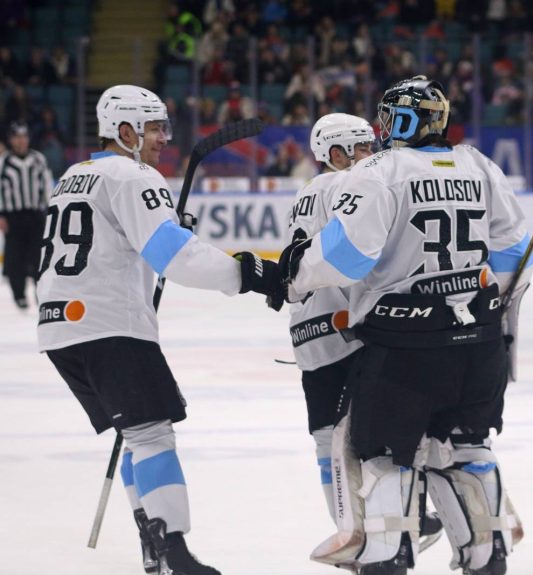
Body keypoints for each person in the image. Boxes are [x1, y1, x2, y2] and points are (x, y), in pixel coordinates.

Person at [279, 76, 529, 575]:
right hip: (478, 343)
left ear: (405, 121)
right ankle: (488, 555)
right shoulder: (479, 165)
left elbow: (346, 257)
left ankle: (386, 556)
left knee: (385, 456)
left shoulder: (381, 170)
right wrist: (479, 306)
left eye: (389, 118)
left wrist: (293, 277)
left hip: (404, 347)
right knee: (467, 447)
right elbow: (514, 252)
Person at [36, 85, 282, 575]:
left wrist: (164, 226)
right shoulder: (133, 175)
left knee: (136, 433)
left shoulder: (72, 177)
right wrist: (249, 274)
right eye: (154, 128)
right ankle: (173, 553)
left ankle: (155, 548)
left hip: (60, 329)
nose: (164, 138)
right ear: (125, 131)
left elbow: (111, 241)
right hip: (109, 324)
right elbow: (177, 256)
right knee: (152, 434)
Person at [286, 112, 376, 527]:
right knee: (370, 435)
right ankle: (378, 522)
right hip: (345, 326)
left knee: (327, 441)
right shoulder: (347, 185)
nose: (371, 155)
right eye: (362, 148)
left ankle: (346, 530)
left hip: (308, 330)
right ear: (336, 154)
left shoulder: (305, 193)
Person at [0, 122, 52, 309]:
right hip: (13, 216)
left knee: (40, 257)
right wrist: (1, 215)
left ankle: (41, 294)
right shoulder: (4, 162)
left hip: (36, 214)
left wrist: (50, 209)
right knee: (15, 258)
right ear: (11, 139)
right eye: (17, 137)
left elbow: (47, 185)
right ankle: (19, 295)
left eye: (24, 136)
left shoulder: (38, 159)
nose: (21, 141)